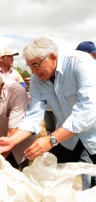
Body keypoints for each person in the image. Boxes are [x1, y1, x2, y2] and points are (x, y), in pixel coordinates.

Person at [0, 37, 96, 174]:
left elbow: (88, 110)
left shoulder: (81, 63)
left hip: (92, 133)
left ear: (52, 57)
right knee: (59, 179)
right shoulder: (37, 80)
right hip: (68, 139)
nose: (33, 71)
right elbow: (34, 115)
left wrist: (52, 139)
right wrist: (12, 140)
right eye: (30, 66)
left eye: (35, 65)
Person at [76, 40, 96, 189]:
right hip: (83, 124)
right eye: (92, 55)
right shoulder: (77, 74)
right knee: (85, 158)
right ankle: (86, 192)